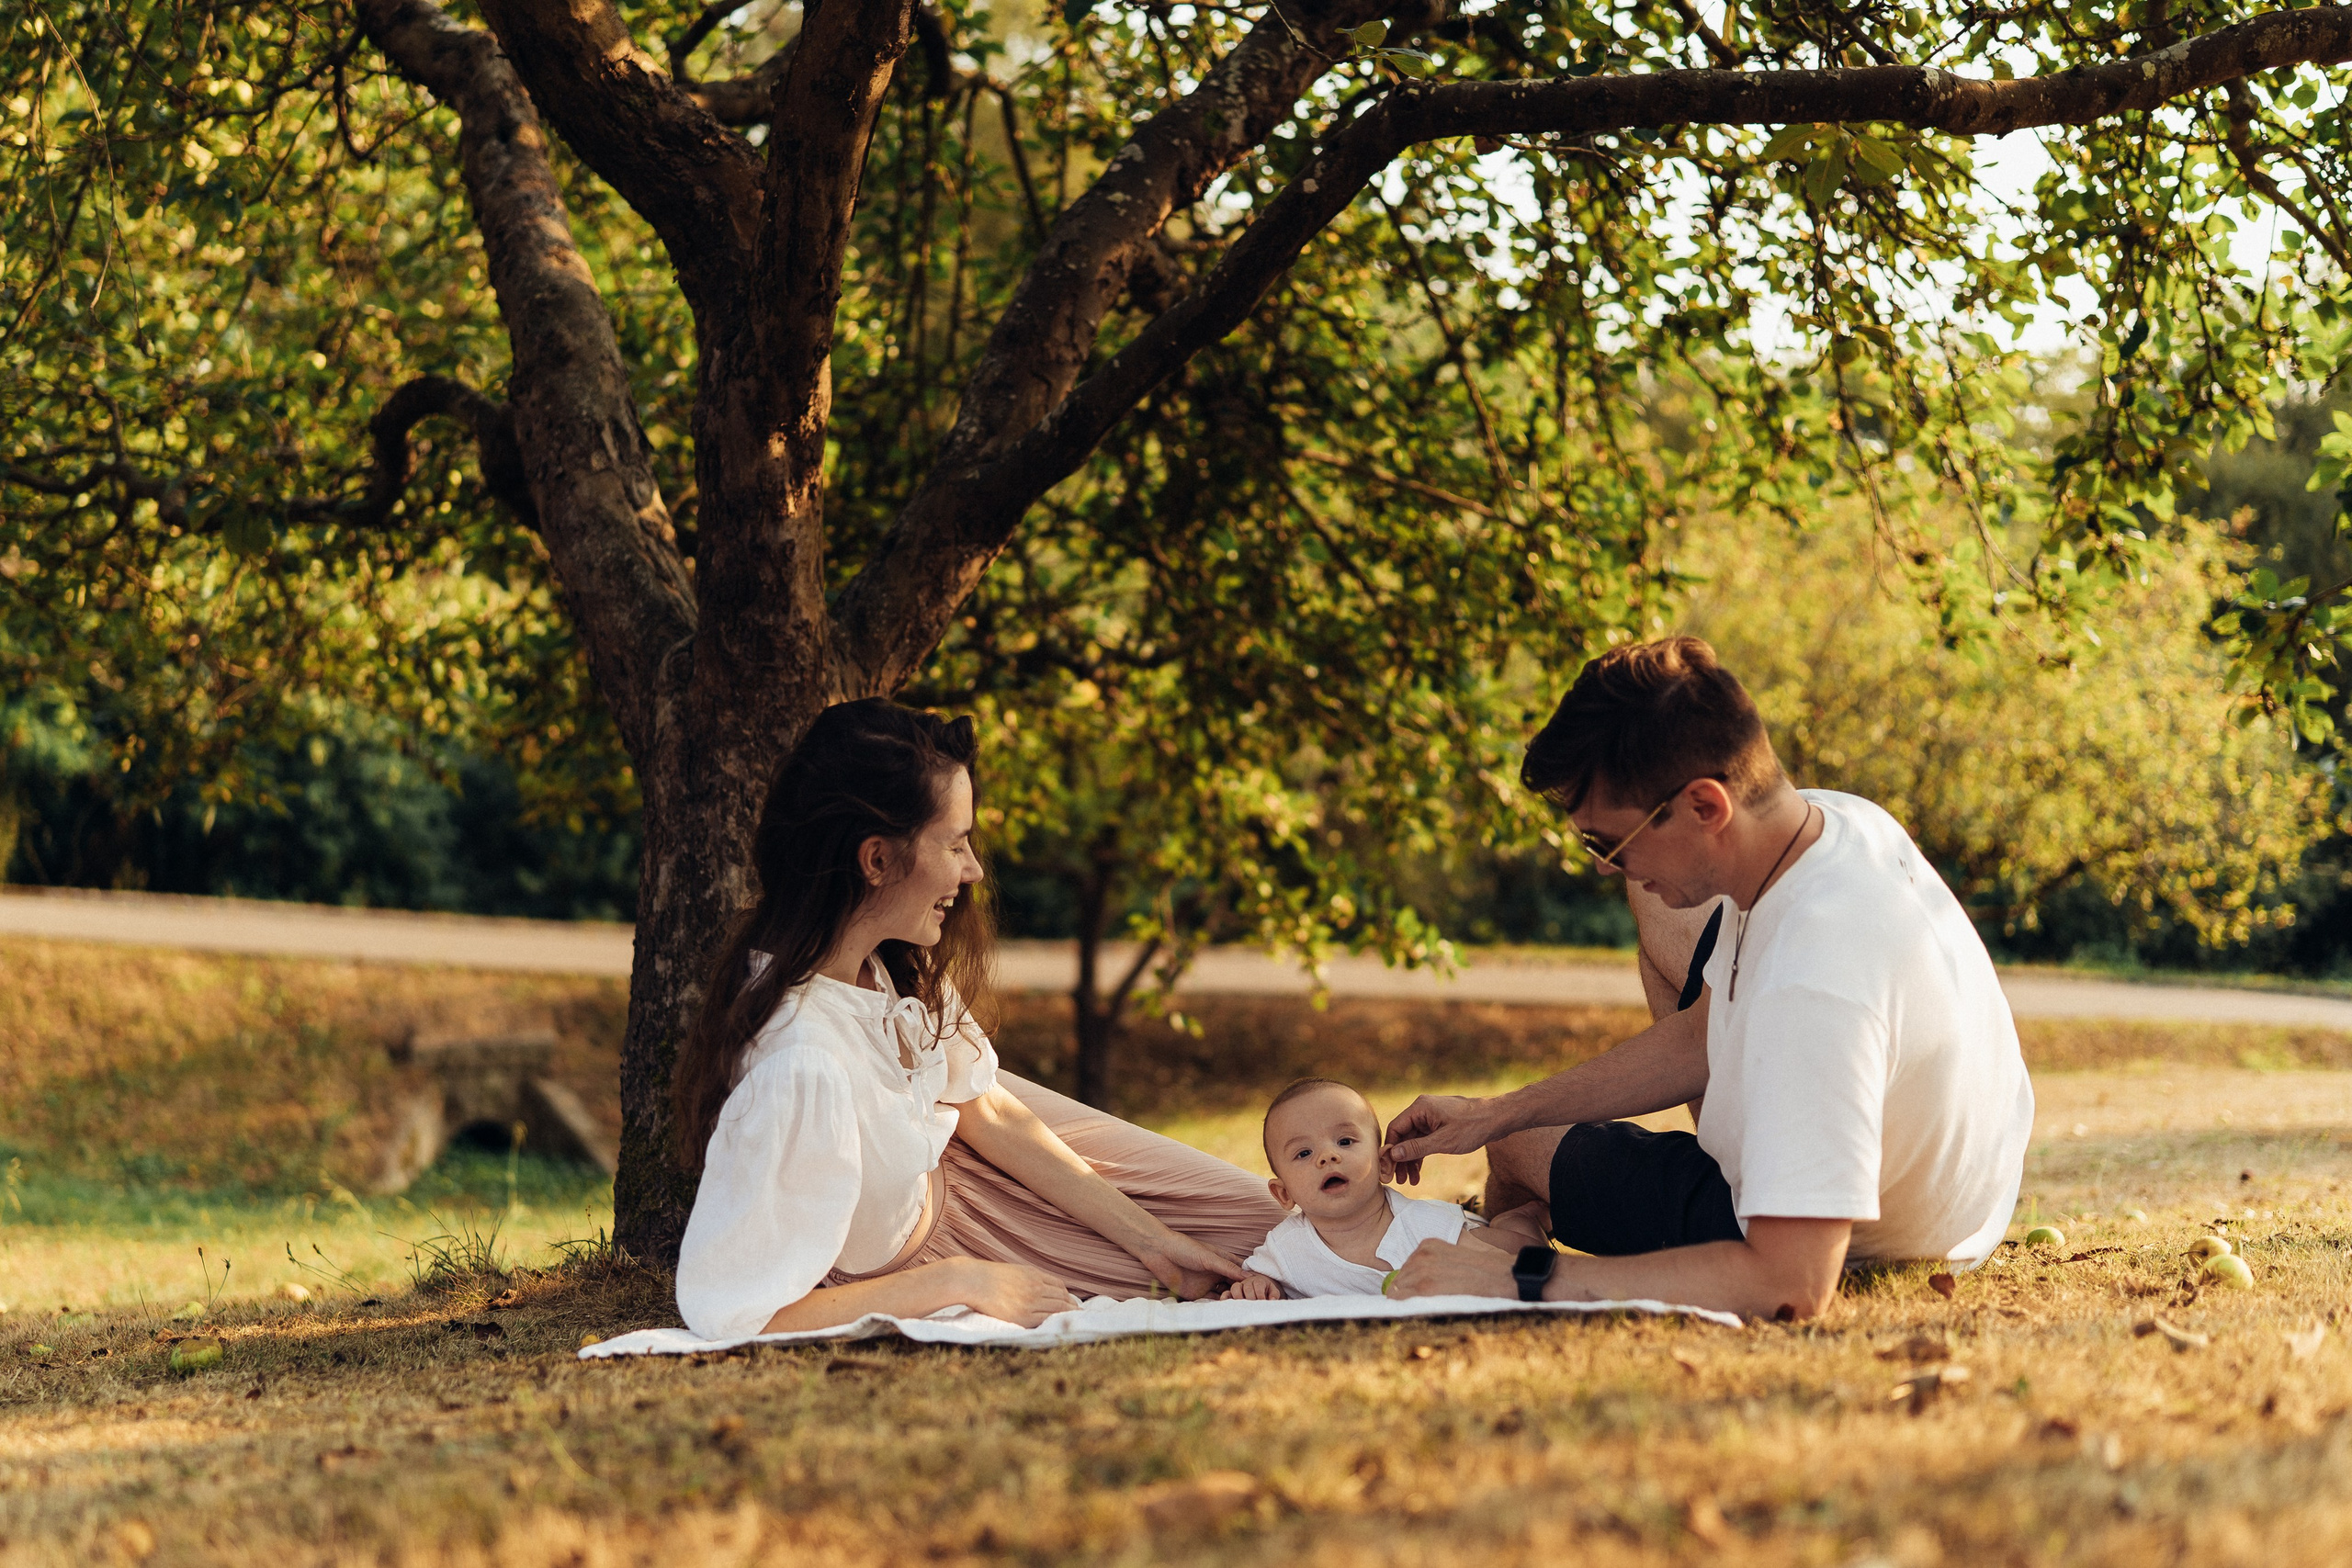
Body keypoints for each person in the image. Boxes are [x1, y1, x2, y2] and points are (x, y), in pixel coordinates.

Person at [1383, 637, 2035, 1322]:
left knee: (1518, 1153)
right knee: (1525, 1110)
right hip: (1962, 1194)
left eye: (1607, 841)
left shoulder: (1811, 986)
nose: (1602, 866)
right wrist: (1497, 1109)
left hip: (1868, 1239)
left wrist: (1525, 1275)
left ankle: (1485, 1261)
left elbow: (1789, 1283)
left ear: (1704, 805)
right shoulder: (1837, 823)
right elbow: (1702, 1035)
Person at [672, 699, 1283, 1340]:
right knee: (1268, 1266)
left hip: (975, 1161)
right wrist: (957, 1280)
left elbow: (983, 1110)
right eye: (955, 844)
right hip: (933, 1249)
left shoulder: (886, 967)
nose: (974, 870)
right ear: (876, 860)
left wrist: (1153, 1240)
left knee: (1272, 1225)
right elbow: (739, 1312)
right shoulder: (803, 1063)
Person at [1224, 1078, 1548, 1300]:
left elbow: (1518, 1264)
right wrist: (1258, 1286)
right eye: (1304, 1153)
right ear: (1284, 1194)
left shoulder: (1424, 1227)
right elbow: (1260, 1281)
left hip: (1474, 1234)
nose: (1328, 1156)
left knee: (1525, 1245)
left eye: (1345, 1141)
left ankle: (1519, 1217)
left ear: (1383, 1165)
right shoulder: (1285, 1249)